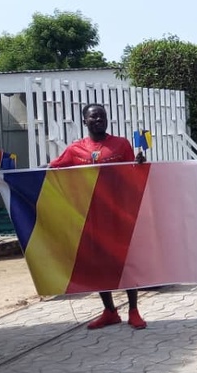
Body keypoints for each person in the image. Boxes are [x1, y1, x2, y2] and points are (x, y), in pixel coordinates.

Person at [48, 103, 148, 330]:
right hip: (91, 217)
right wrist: (9, 175)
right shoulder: (75, 149)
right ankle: (110, 311)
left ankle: (133, 310)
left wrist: (140, 164)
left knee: (126, 262)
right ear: (85, 121)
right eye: (93, 117)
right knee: (99, 265)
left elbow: (133, 173)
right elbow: (52, 168)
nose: (98, 119)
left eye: (102, 116)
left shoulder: (121, 144)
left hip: (119, 216)